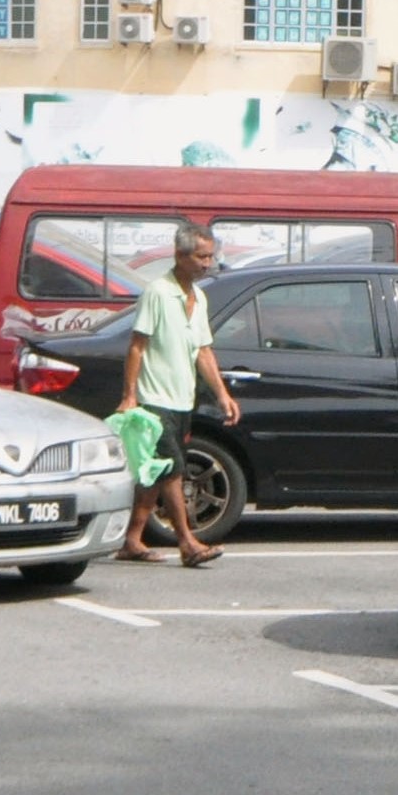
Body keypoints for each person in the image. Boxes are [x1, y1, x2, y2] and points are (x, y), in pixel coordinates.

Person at [114, 222, 242, 567]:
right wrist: (130, 396)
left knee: (157, 471)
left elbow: (203, 351)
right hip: (155, 399)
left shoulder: (198, 297)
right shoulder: (158, 291)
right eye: (200, 257)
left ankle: (131, 540)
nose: (207, 263)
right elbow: (137, 346)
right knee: (172, 469)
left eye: (210, 256)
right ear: (179, 256)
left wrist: (222, 395)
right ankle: (187, 542)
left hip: (183, 398)